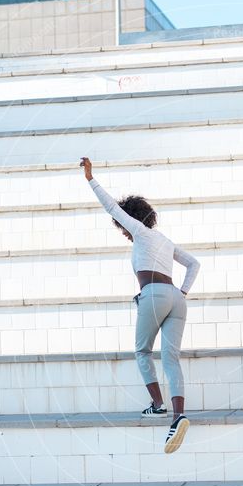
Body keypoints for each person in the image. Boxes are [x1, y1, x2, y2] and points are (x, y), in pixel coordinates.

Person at [80, 157, 200, 454]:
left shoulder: (141, 234)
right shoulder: (164, 240)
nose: (122, 228)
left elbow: (111, 207)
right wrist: (182, 292)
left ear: (130, 219)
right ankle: (178, 415)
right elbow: (194, 264)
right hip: (175, 298)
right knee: (170, 358)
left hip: (155, 295)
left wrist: (90, 178)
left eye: (122, 223)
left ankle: (157, 405)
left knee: (142, 350)